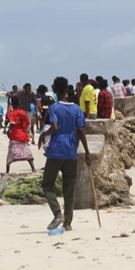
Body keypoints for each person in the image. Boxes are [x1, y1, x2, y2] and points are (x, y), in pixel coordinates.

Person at [38, 76, 90, 232]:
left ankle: (57, 213)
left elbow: (54, 126)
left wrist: (43, 135)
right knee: (69, 188)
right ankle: (68, 223)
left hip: (56, 150)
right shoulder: (76, 109)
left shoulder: (54, 108)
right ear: (67, 89)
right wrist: (86, 152)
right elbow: (81, 131)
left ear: (54, 90)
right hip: (71, 151)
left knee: (47, 184)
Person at [5, 96, 35, 174]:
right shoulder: (23, 112)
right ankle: (33, 168)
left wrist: (8, 130)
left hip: (14, 135)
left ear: (11, 104)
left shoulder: (11, 114)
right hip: (22, 135)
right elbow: (26, 123)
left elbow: (12, 124)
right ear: (19, 103)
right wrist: (26, 132)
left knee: (10, 154)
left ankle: (7, 171)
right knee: (27, 152)